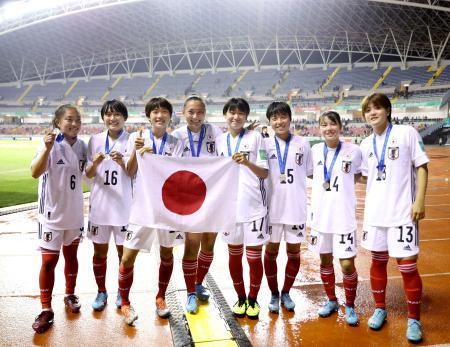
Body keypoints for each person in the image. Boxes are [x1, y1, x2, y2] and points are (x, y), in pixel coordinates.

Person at [360, 93, 428, 343]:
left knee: (408, 267)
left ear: (388, 110)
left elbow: (422, 166)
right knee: (377, 263)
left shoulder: (407, 132)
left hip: (402, 214)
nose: (372, 113)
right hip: (375, 215)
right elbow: (366, 177)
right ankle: (380, 308)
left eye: (377, 108)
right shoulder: (365, 144)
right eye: (368, 110)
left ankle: (414, 319)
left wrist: (419, 201)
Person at [118, 97, 184, 325]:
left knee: (167, 254)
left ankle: (160, 298)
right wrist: (137, 153)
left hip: (167, 208)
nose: (159, 116)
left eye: (164, 112)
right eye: (155, 112)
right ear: (149, 116)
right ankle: (125, 303)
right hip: (142, 207)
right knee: (127, 257)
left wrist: (156, 158)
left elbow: (179, 174)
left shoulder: (176, 142)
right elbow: (129, 171)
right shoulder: (137, 139)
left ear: (169, 116)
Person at [31, 105, 87, 333]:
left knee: (71, 256)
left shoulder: (83, 146)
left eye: (77, 120)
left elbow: (89, 173)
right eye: (69, 119)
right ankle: (46, 309)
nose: (74, 124)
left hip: (74, 213)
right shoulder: (49, 143)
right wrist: (46, 149)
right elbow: (35, 172)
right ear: (58, 122)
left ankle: (69, 294)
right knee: (48, 262)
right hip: (51, 215)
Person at [216, 97, 269, 319]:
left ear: (246, 117)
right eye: (232, 112)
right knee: (234, 256)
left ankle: (254, 299)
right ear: (225, 115)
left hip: (254, 206)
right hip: (228, 208)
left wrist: (246, 162)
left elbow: (265, 172)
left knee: (253, 257)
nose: (235, 116)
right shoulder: (219, 141)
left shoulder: (257, 138)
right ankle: (240, 297)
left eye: (240, 113)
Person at [309, 111, 362, 326]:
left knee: (347, 264)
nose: (328, 128)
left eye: (332, 124)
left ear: (340, 126)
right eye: (324, 125)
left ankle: (350, 305)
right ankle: (331, 300)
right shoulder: (314, 150)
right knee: (325, 260)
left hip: (344, 217)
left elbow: (360, 174)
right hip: (321, 217)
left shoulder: (355, 151)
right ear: (319, 128)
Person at [171, 96, 223, 314]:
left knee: (209, 243)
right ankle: (191, 292)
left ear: (205, 113)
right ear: (184, 113)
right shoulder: (176, 136)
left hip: (213, 196)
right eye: (191, 112)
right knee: (192, 244)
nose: (195, 116)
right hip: (190, 198)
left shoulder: (216, 132)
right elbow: (168, 166)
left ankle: (198, 282)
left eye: (200, 112)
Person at [263, 102, 313, 313]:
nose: (279, 121)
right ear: (270, 122)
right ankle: (274, 293)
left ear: (290, 119)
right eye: (274, 118)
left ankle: (286, 291)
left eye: (282, 117)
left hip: (295, 208)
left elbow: (312, 173)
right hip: (272, 209)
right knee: (271, 252)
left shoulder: (303, 143)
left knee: (294, 252)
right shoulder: (265, 144)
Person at [85, 100, 131, 311]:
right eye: (108, 114)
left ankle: (123, 294)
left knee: (125, 255)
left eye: (117, 114)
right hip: (100, 207)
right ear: (103, 117)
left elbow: (135, 174)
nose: (112, 118)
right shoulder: (94, 140)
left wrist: (122, 162)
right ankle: (101, 290)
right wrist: (95, 163)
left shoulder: (132, 141)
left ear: (124, 117)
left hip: (123, 208)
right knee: (99, 253)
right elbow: (88, 174)